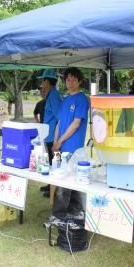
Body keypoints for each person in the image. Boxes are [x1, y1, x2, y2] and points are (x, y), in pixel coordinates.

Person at [51, 67, 89, 219]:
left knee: (69, 182)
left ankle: (63, 215)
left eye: (74, 79)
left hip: (73, 148)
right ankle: (69, 213)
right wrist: (55, 142)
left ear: (79, 81)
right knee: (60, 178)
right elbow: (59, 123)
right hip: (60, 146)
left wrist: (59, 141)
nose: (71, 82)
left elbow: (76, 124)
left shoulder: (82, 99)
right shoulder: (65, 100)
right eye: (68, 79)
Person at [37, 69, 62, 196]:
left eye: (43, 80)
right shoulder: (51, 94)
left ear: (47, 81)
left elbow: (59, 117)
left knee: (56, 163)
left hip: (54, 136)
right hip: (49, 135)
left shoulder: (54, 95)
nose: (42, 83)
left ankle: (55, 190)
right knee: (51, 162)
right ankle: (50, 186)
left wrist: (57, 140)